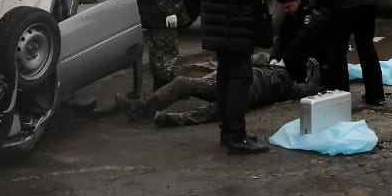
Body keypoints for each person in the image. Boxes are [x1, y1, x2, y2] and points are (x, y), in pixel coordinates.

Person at [201, 0, 272, 154]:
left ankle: (230, 132)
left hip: (225, 24)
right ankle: (235, 136)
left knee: (228, 78)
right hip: (230, 24)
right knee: (241, 78)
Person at [114, 54, 319, 127]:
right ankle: (142, 107)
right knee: (182, 82)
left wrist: (315, 70)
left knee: (210, 112)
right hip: (229, 84)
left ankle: (170, 119)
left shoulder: (288, 86)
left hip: (243, 96)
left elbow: (310, 89)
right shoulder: (265, 61)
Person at [269, 0, 330, 85]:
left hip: (321, 58)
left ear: (298, 0)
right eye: (283, 8)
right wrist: (274, 57)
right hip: (301, 59)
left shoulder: (312, 12)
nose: (285, 11)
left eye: (288, 7)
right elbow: (282, 37)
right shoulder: (290, 15)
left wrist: (285, 60)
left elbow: (303, 38)